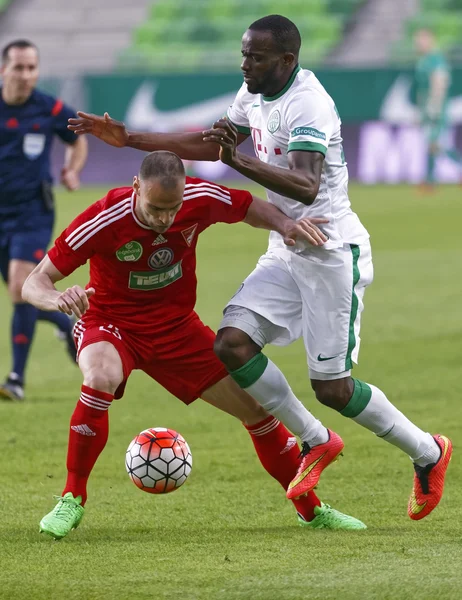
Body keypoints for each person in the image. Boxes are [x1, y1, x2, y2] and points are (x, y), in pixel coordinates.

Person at [68, 15, 452, 522]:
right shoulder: (252, 93)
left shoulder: (308, 103)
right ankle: (315, 440)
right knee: (231, 342)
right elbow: (214, 144)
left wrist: (238, 161)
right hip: (286, 245)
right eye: (245, 54)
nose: (245, 64)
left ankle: (429, 452)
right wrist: (132, 139)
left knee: (332, 388)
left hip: (332, 248)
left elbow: (306, 185)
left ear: (287, 61)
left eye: (256, 57)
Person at [22, 150, 366, 540]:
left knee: (255, 409)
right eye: (155, 209)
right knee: (100, 374)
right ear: (136, 188)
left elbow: (248, 205)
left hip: (176, 329)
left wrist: (286, 225)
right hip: (112, 324)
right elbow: (34, 282)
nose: (165, 218)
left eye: (173, 209)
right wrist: (58, 299)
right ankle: (72, 496)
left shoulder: (199, 196)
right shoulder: (104, 218)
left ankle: (312, 510)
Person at [0, 40, 88, 401]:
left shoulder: (49, 107)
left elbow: (78, 137)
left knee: (22, 287)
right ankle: (64, 324)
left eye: (32, 68)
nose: (26, 75)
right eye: (19, 67)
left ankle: (16, 379)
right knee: (21, 297)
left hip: (32, 212)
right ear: (4, 69)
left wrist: (72, 169)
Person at [414, 28, 462, 189]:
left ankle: (430, 179)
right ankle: (429, 179)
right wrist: (421, 111)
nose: (419, 43)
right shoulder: (423, 60)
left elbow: (439, 84)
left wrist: (434, 106)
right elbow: (421, 89)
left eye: (422, 39)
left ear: (431, 40)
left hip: (437, 109)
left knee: (436, 143)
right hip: (427, 108)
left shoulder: (436, 60)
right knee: (434, 144)